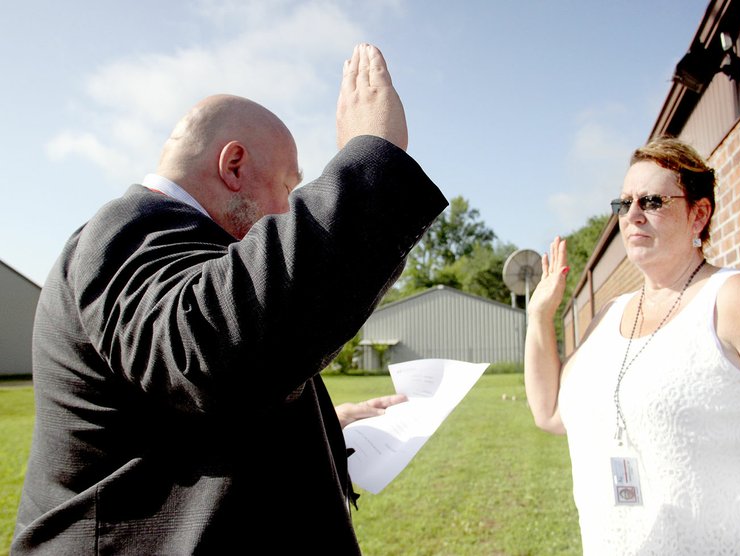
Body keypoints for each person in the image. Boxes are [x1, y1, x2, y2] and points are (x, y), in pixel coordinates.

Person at [12, 43, 447, 554]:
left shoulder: (173, 250)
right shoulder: (126, 229)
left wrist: (328, 424)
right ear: (235, 166)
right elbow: (208, 351)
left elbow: (195, 407)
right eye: (289, 185)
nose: (288, 209)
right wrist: (372, 160)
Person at [525, 136, 740, 554]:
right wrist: (539, 317)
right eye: (623, 203)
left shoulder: (736, 299)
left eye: (652, 201)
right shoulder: (608, 316)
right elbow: (550, 413)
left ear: (698, 214)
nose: (632, 215)